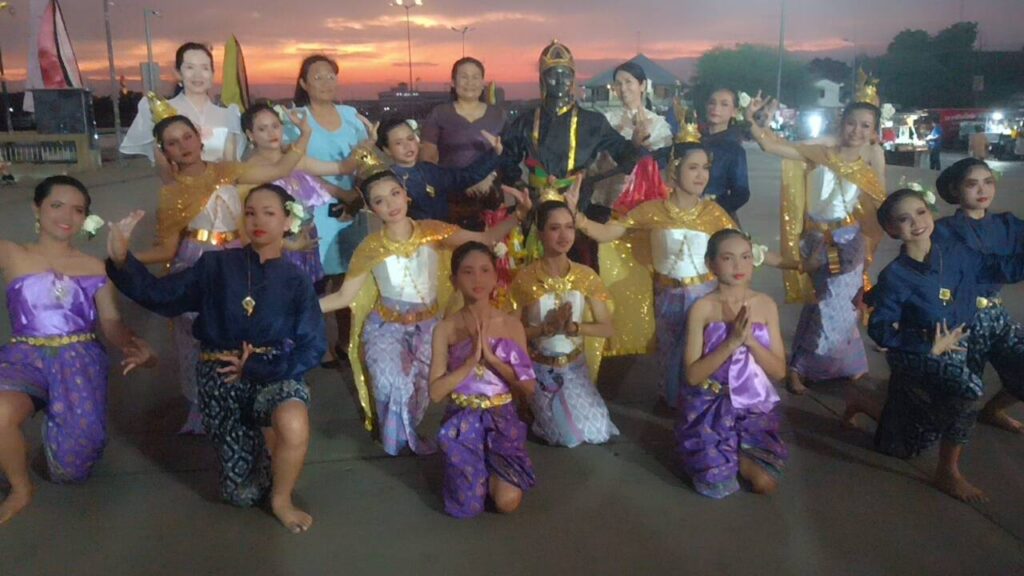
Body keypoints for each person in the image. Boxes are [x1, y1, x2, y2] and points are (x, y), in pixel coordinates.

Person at [106, 184, 326, 533]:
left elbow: (312, 345)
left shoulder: (295, 280)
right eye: (250, 213)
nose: (257, 220)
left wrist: (258, 367)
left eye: (269, 213)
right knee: (242, 493)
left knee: (294, 420)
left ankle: (282, 499)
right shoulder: (215, 265)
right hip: (220, 375)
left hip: (271, 371)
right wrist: (122, 260)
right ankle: (263, 446)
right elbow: (161, 295)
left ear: (287, 221)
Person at [319, 149, 532, 456]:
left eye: (394, 194)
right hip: (385, 327)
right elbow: (344, 296)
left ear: (406, 194)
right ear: (369, 206)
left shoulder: (432, 232)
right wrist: (301, 306)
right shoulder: (370, 247)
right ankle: (396, 445)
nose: (390, 204)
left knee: (421, 388)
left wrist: (519, 215)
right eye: (379, 200)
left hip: (429, 327)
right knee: (391, 383)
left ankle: (404, 436)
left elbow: (484, 239)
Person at [134, 111, 312, 434]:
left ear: (199, 138)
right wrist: (124, 258)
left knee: (246, 327)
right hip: (197, 262)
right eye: (172, 143)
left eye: (187, 137)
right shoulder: (172, 193)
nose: (183, 146)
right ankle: (206, 408)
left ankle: (249, 396)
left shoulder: (226, 171)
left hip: (236, 255)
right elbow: (167, 249)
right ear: (165, 151)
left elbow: (279, 170)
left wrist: (304, 136)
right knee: (199, 337)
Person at [845, 188, 1024, 503]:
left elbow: (995, 267)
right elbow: (881, 328)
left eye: (921, 212)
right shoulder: (896, 276)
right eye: (904, 219)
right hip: (919, 349)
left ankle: (867, 401)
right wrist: (927, 343)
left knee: (910, 437)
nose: (916, 223)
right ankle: (947, 472)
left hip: (961, 339)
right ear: (891, 230)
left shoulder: (954, 252)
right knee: (967, 392)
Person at [0, 176, 155, 525]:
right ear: (37, 208)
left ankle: (48, 441)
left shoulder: (95, 267)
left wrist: (135, 346)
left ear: (86, 218)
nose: (66, 216)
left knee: (73, 466)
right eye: (56, 205)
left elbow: (111, 323)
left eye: (77, 210)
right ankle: (21, 488)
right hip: (24, 357)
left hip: (79, 361)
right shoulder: (11, 253)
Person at [568, 138, 745, 409]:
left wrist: (789, 263)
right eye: (693, 168)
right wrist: (576, 217)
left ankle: (700, 408)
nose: (701, 175)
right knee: (669, 356)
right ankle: (673, 403)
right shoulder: (651, 211)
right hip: (667, 297)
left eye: (705, 168)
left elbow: (741, 247)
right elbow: (606, 233)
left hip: (705, 298)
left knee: (700, 356)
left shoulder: (714, 212)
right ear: (674, 170)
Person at [746, 85, 887, 395]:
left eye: (865, 126)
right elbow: (771, 146)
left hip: (850, 242)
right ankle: (805, 366)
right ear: (841, 123)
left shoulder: (868, 165)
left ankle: (818, 366)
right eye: (852, 123)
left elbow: (881, 205)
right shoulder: (819, 154)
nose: (857, 131)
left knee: (836, 304)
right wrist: (754, 122)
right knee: (820, 303)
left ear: (873, 130)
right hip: (816, 240)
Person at [428, 242, 536, 518]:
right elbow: (435, 393)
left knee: (507, 502)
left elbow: (528, 387)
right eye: (468, 272)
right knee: (468, 507)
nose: (478, 279)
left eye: (485, 270)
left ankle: (491, 469)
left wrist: (493, 360)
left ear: (496, 276)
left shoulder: (511, 325)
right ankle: (469, 465)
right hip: (463, 420)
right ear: (454, 280)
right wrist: (469, 363)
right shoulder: (445, 329)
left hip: (502, 419)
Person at [678, 229, 787, 498]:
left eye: (746, 257)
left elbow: (778, 371)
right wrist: (731, 342)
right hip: (711, 406)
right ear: (711, 264)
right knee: (716, 487)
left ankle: (739, 453)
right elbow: (692, 375)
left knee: (765, 483)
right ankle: (717, 451)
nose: (739, 266)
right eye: (728, 258)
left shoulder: (766, 305)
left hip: (753, 407)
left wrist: (750, 341)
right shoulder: (703, 308)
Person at [283, 54, 373, 367]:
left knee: (349, 278)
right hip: (313, 209)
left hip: (350, 209)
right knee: (315, 282)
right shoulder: (296, 119)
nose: (325, 82)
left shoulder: (350, 116)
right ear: (304, 83)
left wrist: (356, 194)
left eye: (330, 76)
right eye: (317, 77)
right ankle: (316, 345)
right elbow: (295, 166)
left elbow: (364, 160)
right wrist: (339, 192)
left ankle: (346, 343)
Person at [510, 200, 618, 446]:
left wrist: (574, 328)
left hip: (574, 368)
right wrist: (543, 330)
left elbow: (607, 327)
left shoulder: (586, 276)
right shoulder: (526, 279)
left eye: (569, 227)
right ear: (540, 233)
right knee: (566, 437)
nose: (564, 235)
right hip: (540, 369)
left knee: (599, 431)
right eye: (554, 228)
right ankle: (532, 408)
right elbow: (511, 333)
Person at [933, 158, 1024, 433]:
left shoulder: (1007, 224)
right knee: (964, 391)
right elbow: (982, 267)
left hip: (995, 315)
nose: (982, 190)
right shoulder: (944, 230)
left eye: (988, 182)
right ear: (955, 189)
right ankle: (948, 457)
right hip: (961, 317)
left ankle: (993, 410)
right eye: (972, 184)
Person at [241, 102, 365, 287]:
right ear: (250, 134)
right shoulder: (249, 169)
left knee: (312, 294)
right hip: (275, 248)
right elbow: (250, 224)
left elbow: (343, 168)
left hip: (306, 243)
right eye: (262, 129)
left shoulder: (294, 159)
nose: (271, 133)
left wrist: (367, 144)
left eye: (275, 126)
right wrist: (290, 245)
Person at [121, 42, 242, 171]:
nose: (197, 75)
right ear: (178, 73)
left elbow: (231, 165)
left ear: (212, 74)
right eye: (190, 67)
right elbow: (163, 167)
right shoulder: (160, 111)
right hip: (178, 183)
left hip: (222, 183)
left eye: (205, 68)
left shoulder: (228, 114)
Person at [420, 57, 508, 230]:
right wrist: (463, 183)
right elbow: (427, 162)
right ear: (453, 82)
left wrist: (488, 177)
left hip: (490, 197)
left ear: (483, 83)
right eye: (464, 77)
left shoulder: (498, 115)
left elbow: (507, 155)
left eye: (475, 77)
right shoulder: (439, 114)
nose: (470, 82)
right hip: (452, 201)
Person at [377, 116, 500, 223]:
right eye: (398, 143)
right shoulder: (388, 180)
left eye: (410, 138)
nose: (407, 146)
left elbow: (466, 176)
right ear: (387, 150)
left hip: (445, 235)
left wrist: (494, 153)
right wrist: (368, 147)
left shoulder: (429, 170)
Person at [590, 61, 673, 215]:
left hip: (643, 199)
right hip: (608, 197)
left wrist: (643, 142)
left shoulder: (658, 123)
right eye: (618, 83)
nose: (623, 88)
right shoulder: (606, 120)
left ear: (642, 85)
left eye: (628, 82)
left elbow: (662, 164)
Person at [702, 88, 752, 222]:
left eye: (724, 104)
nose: (716, 108)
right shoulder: (691, 140)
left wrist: (714, 210)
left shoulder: (734, 149)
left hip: (715, 218)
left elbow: (741, 193)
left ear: (734, 112)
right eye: (712, 103)